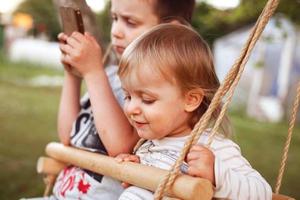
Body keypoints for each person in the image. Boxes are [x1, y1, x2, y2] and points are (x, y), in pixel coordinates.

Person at [22, 1, 196, 200]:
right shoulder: (109, 76)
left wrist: (93, 71)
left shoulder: (159, 94)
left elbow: (121, 148)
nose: (116, 32)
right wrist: (73, 74)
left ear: (170, 30)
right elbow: (68, 136)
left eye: (130, 22)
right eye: (115, 18)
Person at [115, 24, 272, 200]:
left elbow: (262, 193)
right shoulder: (150, 144)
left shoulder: (210, 147)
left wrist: (216, 173)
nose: (131, 108)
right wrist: (137, 171)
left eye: (147, 100)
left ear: (191, 100)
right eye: (128, 96)